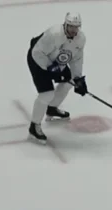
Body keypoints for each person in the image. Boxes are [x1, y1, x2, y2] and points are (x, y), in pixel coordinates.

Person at [27, 12, 88, 143]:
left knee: (69, 82)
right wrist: (50, 69)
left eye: (76, 27)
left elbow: (77, 59)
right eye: (71, 26)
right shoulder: (54, 34)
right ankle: (34, 125)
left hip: (55, 62)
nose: (73, 30)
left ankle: (52, 108)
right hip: (37, 60)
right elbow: (37, 53)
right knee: (46, 94)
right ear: (65, 24)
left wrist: (78, 79)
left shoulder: (80, 39)